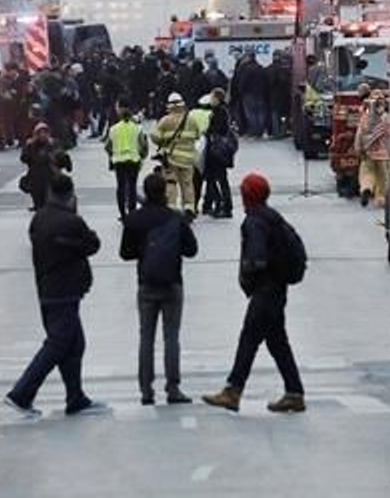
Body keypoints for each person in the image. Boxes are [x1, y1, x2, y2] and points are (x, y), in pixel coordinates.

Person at [203, 173, 305, 414]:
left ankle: (233, 391)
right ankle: (294, 392)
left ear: (248, 195)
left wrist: (249, 272)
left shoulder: (255, 222)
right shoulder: (272, 217)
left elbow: (257, 258)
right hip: (278, 288)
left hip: (265, 290)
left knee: (249, 339)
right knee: (278, 342)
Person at [6, 174, 104, 418]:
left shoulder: (38, 219)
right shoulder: (72, 222)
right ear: (70, 195)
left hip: (47, 288)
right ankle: (21, 392)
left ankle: (75, 396)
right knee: (57, 344)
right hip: (66, 290)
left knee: (74, 343)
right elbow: (92, 245)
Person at [120, 173, 198, 405]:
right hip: (172, 282)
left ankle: (146, 390)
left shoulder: (135, 219)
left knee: (146, 337)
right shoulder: (175, 218)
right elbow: (191, 249)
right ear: (164, 191)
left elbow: (125, 253)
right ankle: (173, 388)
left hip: (146, 282)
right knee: (171, 337)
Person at [151, 92, 202, 216]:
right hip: (188, 158)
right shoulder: (191, 120)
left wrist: (164, 140)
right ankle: (189, 207)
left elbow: (155, 137)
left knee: (170, 182)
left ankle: (171, 207)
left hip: (171, 158)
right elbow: (197, 135)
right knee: (188, 183)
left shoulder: (165, 120)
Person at [105, 104, 148, 218]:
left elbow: (107, 146)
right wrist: (142, 156)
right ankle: (132, 211)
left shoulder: (113, 129)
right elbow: (143, 145)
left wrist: (113, 154)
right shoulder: (137, 128)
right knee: (132, 187)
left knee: (121, 187)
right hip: (133, 160)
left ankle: (122, 213)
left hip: (119, 161)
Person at [202, 93, 237, 218]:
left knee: (220, 180)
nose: (210, 100)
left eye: (213, 98)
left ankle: (225, 206)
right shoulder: (218, 111)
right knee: (214, 179)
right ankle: (219, 204)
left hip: (217, 151)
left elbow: (218, 129)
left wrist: (208, 129)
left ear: (218, 99)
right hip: (217, 151)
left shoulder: (219, 112)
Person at [356, 91, 390, 208]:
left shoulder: (365, 118)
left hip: (368, 153)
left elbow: (359, 135)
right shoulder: (387, 118)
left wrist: (358, 149)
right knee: (383, 177)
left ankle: (366, 188)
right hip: (383, 155)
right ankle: (381, 198)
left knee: (366, 173)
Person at [21, 123, 68, 212]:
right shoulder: (31, 146)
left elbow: (62, 158)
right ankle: (38, 205)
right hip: (36, 176)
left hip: (51, 174)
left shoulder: (54, 144)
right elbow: (24, 158)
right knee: (36, 191)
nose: (42, 135)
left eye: (45, 132)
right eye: (40, 133)